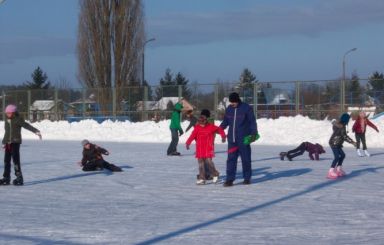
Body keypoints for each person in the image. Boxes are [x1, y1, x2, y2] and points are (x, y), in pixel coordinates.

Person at [220, 92, 258, 186]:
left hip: (243, 139)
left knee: (246, 159)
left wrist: (254, 133)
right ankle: (230, 179)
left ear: (238, 100)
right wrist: (219, 129)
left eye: (234, 102)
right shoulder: (229, 109)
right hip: (232, 140)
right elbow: (225, 121)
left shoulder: (246, 108)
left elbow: (252, 121)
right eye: (231, 102)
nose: (232, 104)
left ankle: (247, 178)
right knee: (231, 159)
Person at [0, 104, 42, 186]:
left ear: (14, 112)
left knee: (16, 161)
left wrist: (36, 131)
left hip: (15, 142)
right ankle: (6, 177)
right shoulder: (7, 121)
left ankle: (19, 177)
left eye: (9, 113)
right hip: (8, 143)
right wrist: (4, 142)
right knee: (6, 161)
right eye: (6, 113)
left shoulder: (18, 119)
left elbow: (27, 126)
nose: (7, 114)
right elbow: (7, 133)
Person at [186, 114, 226, 185]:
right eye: (200, 123)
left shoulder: (211, 127)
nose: (202, 125)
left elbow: (220, 129)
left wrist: (223, 136)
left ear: (205, 121)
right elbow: (192, 136)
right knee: (201, 165)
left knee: (209, 163)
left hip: (208, 148)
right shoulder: (197, 128)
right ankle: (202, 179)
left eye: (203, 123)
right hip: (200, 149)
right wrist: (188, 143)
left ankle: (215, 174)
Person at [327, 113, 356, 179]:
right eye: (348, 120)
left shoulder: (340, 125)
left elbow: (338, 130)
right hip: (334, 143)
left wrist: (336, 123)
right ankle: (330, 172)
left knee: (342, 155)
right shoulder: (342, 126)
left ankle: (338, 169)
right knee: (337, 157)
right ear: (346, 120)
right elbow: (345, 136)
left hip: (337, 143)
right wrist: (353, 142)